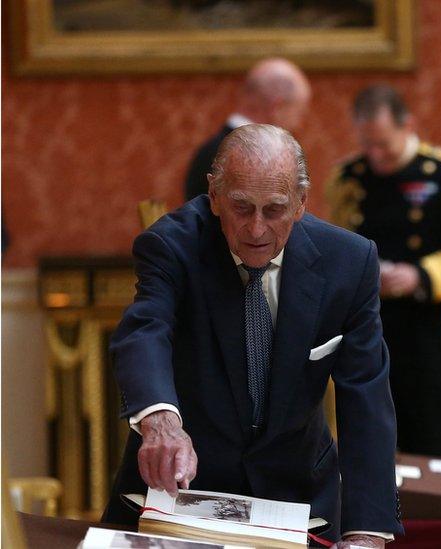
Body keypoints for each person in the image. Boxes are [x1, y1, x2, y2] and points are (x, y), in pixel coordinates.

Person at [105, 124, 401, 548]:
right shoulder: (171, 246)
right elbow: (144, 331)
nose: (257, 229)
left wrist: (366, 533)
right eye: (241, 208)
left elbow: (367, 398)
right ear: (214, 195)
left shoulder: (348, 263)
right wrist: (161, 424)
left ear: (301, 202)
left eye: (275, 209)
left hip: (298, 501)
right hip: (178, 498)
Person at [327, 84, 441, 459]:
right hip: (368, 323)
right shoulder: (348, 177)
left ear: (407, 125)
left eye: (383, 143)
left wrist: (418, 277)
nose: (375, 155)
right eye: (367, 144)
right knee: (369, 428)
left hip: (428, 324)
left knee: (432, 429)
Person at [184, 58, 311, 201]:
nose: (298, 124)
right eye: (298, 112)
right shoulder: (261, 158)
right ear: (277, 108)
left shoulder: (209, 151)